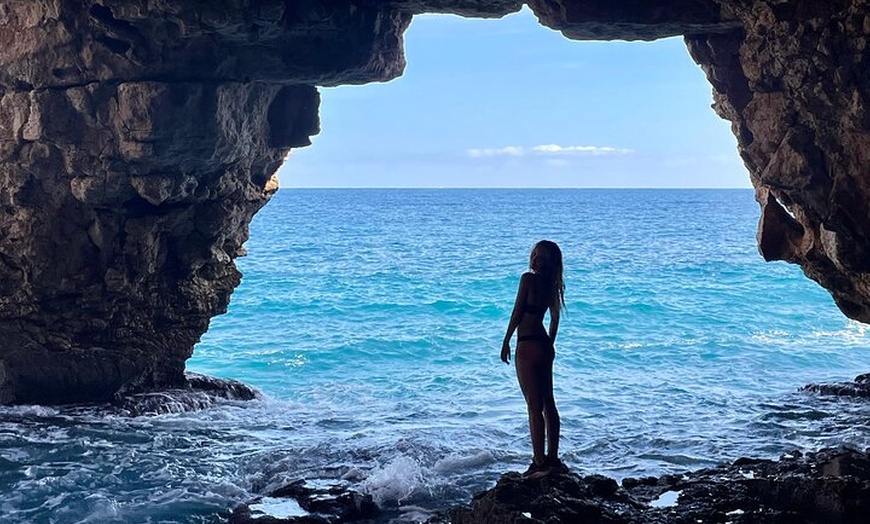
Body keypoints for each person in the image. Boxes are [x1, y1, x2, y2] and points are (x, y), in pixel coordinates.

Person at [501, 240, 566, 476]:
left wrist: (506, 340)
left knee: (534, 406)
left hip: (527, 344)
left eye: (540, 256)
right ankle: (553, 458)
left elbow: (517, 312)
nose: (535, 259)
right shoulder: (552, 284)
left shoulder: (527, 279)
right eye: (535, 255)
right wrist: (550, 343)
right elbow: (555, 319)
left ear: (545, 261)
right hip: (544, 344)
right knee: (549, 403)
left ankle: (539, 462)